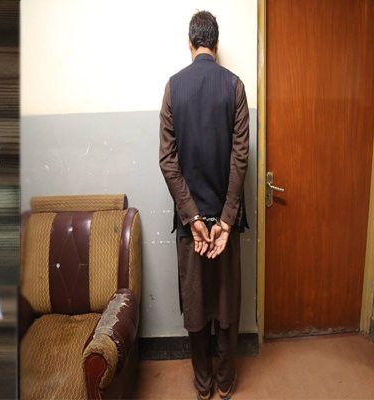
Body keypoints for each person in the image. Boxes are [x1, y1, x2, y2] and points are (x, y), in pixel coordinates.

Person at [158, 10, 250, 400]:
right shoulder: (235, 86)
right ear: (216, 42)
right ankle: (226, 382)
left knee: (196, 306)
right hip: (226, 221)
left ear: (190, 43)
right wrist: (225, 221)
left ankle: (203, 385)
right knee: (226, 306)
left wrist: (194, 217)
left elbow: (168, 161)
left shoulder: (173, 87)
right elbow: (240, 158)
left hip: (189, 225)